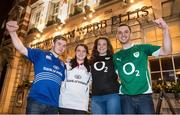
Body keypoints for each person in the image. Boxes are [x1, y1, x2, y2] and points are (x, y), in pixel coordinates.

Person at [6, 21, 67, 114]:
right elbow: (21, 48)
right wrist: (13, 33)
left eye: (64, 46)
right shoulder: (40, 54)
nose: (61, 47)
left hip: (53, 106)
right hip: (36, 102)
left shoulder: (63, 65)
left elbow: (65, 84)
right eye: (59, 44)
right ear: (53, 44)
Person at [113, 18, 172, 114]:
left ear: (131, 34)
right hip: (125, 98)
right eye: (120, 32)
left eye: (126, 32)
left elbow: (167, 51)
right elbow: (116, 76)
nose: (123, 34)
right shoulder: (115, 57)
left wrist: (165, 29)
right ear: (116, 36)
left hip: (144, 96)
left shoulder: (142, 48)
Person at [90, 37, 121, 114]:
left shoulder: (114, 58)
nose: (101, 46)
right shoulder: (91, 61)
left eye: (104, 44)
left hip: (112, 95)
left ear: (108, 46)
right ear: (96, 47)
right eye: (99, 44)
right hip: (96, 97)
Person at [59, 44, 91, 114]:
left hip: (81, 105)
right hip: (65, 103)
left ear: (86, 53)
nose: (81, 53)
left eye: (84, 51)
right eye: (78, 51)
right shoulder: (67, 65)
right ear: (75, 52)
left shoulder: (90, 68)